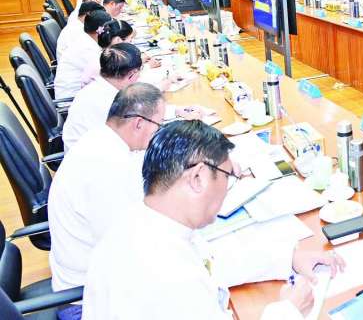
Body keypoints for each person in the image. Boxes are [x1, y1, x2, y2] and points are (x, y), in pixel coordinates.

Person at [82, 121, 345, 319]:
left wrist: (289, 257)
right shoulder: (167, 274)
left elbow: (211, 263)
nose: (228, 187)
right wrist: (290, 310)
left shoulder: (145, 220)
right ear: (197, 178)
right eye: (227, 176)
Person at [49, 83, 166, 293]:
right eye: (159, 125)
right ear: (139, 124)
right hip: (89, 294)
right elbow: (129, 246)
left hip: (96, 270)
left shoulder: (101, 139)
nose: (158, 132)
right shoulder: (106, 165)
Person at [62, 43, 143, 153]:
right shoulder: (110, 102)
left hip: (89, 152)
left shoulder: (99, 87)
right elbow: (132, 141)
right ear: (132, 74)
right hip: (95, 158)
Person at [54, 10, 112, 99]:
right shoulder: (87, 49)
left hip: (81, 93)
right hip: (71, 99)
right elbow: (107, 76)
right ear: (100, 31)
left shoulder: (84, 39)